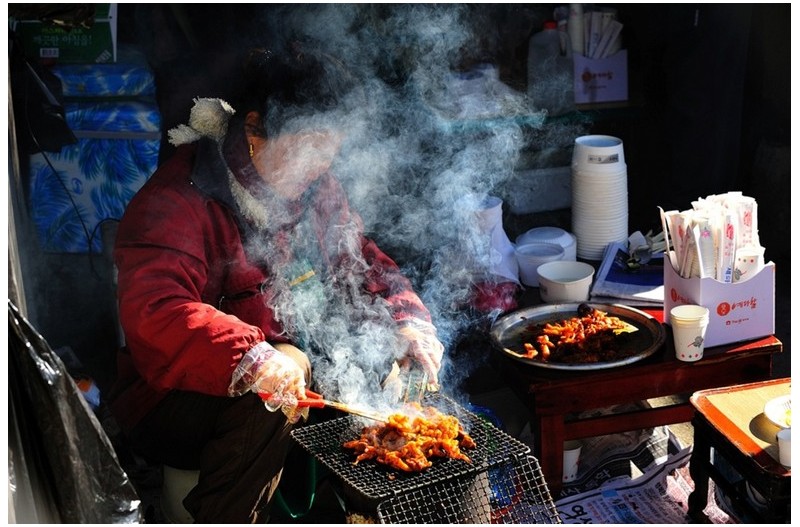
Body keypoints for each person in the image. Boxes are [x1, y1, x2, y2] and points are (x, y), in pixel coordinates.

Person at [107, 44, 445, 523]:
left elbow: (360, 262)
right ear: (253, 131)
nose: (319, 167)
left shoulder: (315, 185)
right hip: (172, 398)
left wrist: (407, 320)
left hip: (285, 375)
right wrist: (251, 356)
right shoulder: (176, 201)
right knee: (286, 367)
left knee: (378, 357)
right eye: (308, 147)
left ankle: (350, 511)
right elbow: (157, 310)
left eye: (329, 152)